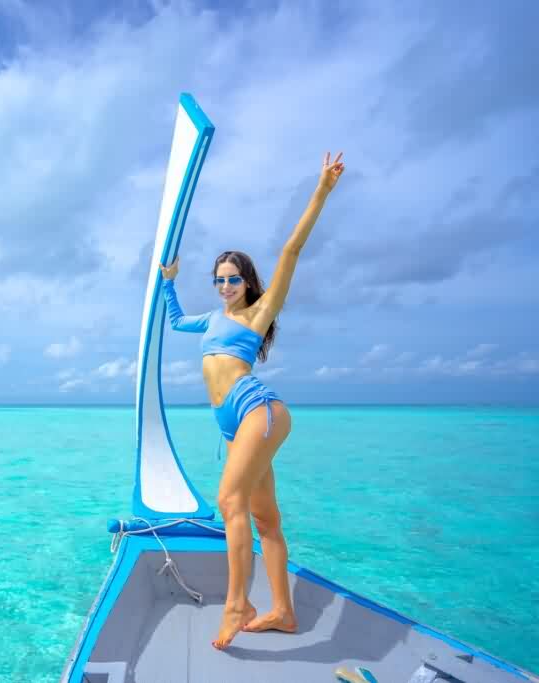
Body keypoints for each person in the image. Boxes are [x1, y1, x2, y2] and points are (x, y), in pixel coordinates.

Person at [159, 151, 346, 650]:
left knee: (228, 502)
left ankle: (238, 603)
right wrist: (169, 282)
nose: (224, 286)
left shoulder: (258, 313)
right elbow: (175, 322)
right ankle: (283, 611)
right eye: (218, 279)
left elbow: (290, 252)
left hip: (256, 410)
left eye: (232, 278)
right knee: (266, 519)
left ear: (248, 282)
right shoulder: (211, 318)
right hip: (233, 425)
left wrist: (321, 190)